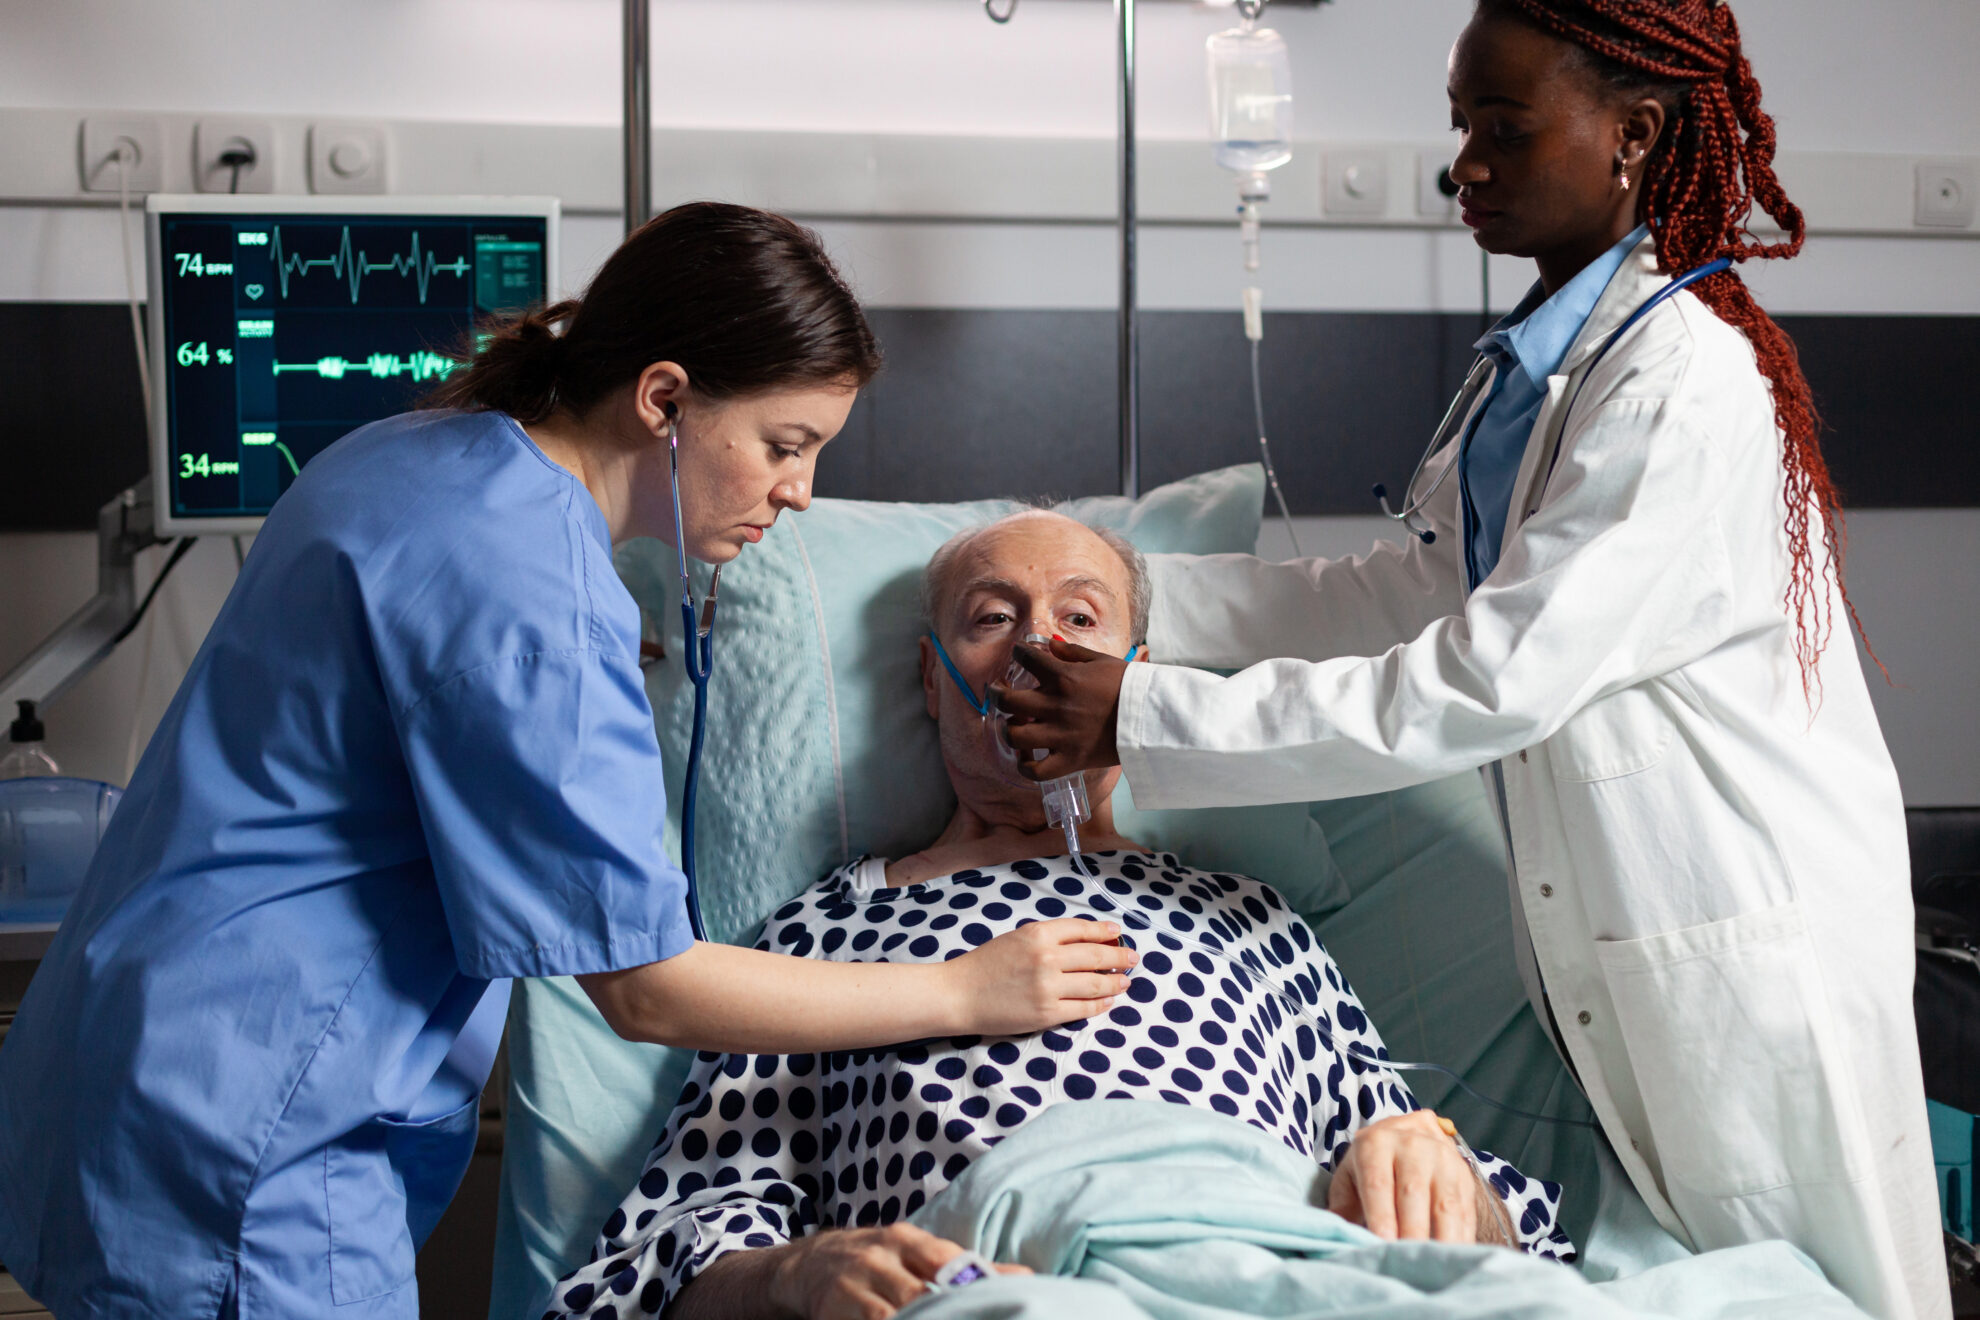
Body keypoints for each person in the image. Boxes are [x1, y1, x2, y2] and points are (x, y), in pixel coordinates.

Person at [0, 205, 1132, 1320]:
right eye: (785, 446)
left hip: (121, 1057)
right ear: (664, 400)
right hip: (245, 1140)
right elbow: (645, 988)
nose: (799, 491)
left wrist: (565, 664)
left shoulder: (416, 457)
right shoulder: (535, 609)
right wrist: (961, 989)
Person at [991, 6, 1947, 1320]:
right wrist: (1143, 589)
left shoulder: (1682, 385)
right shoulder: (1546, 366)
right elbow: (1408, 592)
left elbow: (1485, 677)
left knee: (1831, 1295)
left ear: (1635, 136)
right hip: (1639, 951)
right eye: (1460, 126)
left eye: (1504, 128)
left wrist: (1140, 715)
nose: (1465, 167)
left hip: (1749, 944)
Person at [537, 511, 1574, 1320]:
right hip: (989, 1272)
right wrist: (799, 1277)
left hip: (1270, 1256)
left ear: (1144, 682)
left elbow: (1446, 1202)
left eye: (1082, 619)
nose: (1039, 641)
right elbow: (659, 1262)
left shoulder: (1250, 919)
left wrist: (1432, 1161)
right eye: (991, 619)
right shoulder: (824, 935)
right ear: (932, 689)